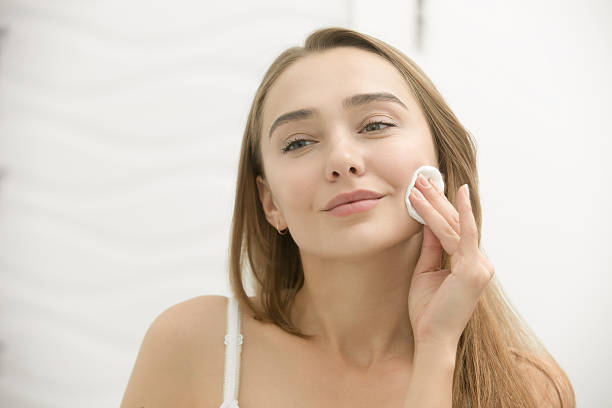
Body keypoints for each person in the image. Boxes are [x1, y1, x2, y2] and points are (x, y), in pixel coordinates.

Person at [120, 27, 575, 407]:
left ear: (441, 158)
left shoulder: (532, 389)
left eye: (375, 124)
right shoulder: (194, 344)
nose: (341, 159)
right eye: (298, 142)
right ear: (269, 202)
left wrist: (436, 353)